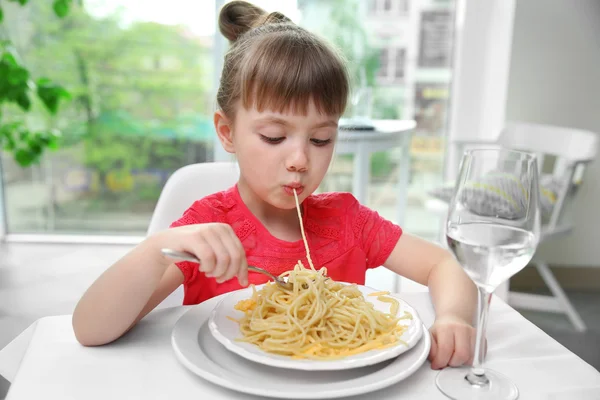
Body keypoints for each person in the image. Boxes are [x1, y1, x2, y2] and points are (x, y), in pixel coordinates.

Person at [72, 0, 478, 371]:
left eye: (321, 139)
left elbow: (444, 265)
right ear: (227, 132)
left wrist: (454, 317)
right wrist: (154, 249)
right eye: (273, 136)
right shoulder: (209, 226)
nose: (300, 159)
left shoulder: (348, 221)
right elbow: (91, 329)